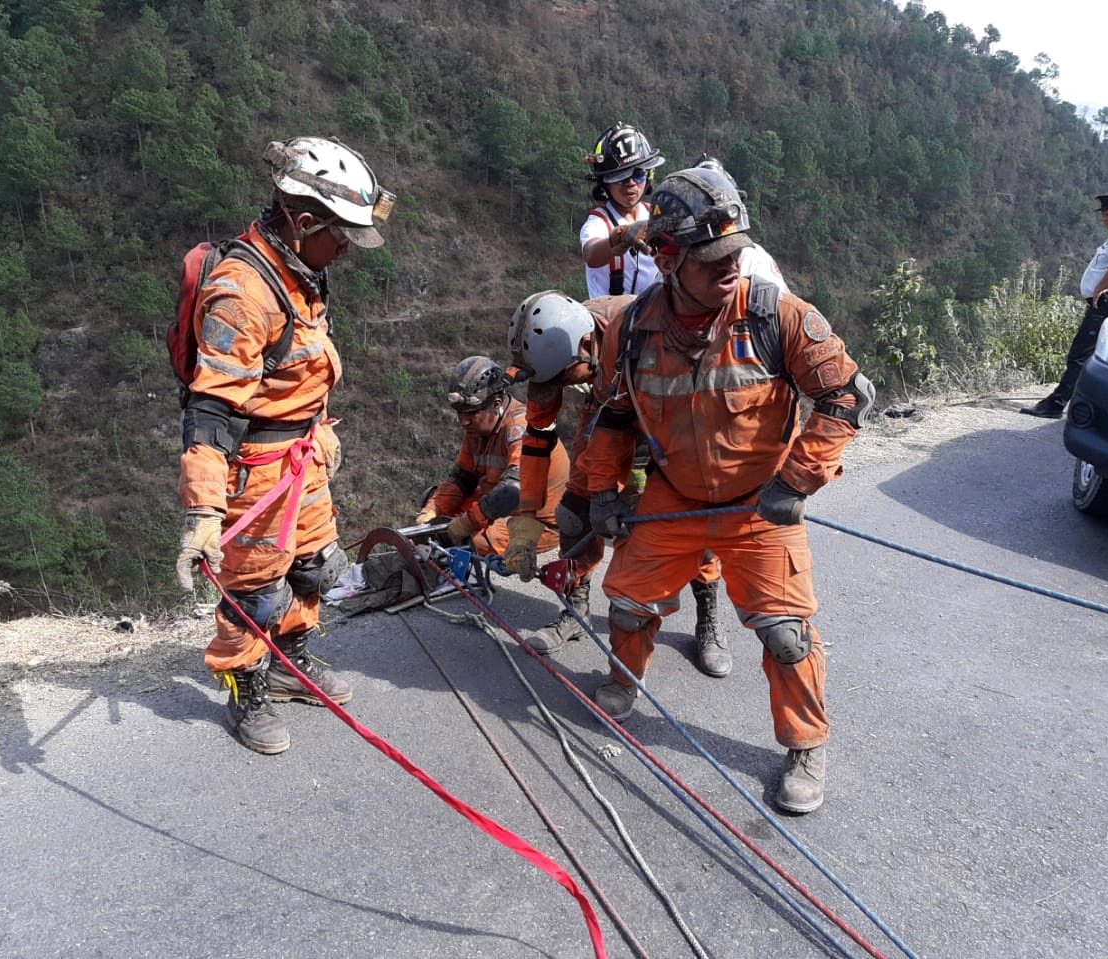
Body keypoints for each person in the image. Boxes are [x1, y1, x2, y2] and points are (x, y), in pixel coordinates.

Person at [577, 164, 874, 814]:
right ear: (668, 255)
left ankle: (805, 745)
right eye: (712, 258)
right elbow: (615, 415)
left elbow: (846, 395)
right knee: (626, 602)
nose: (730, 266)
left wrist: (798, 479)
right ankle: (624, 680)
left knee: (786, 631)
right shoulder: (632, 332)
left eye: (735, 252)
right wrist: (604, 491)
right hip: (674, 496)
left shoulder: (775, 314)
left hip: (757, 503)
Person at [174, 135, 393, 755]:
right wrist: (204, 510)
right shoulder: (244, 293)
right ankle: (248, 692)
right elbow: (211, 411)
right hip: (257, 472)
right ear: (302, 222)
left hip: (302, 457)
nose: (347, 245)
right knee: (254, 591)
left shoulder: (301, 270)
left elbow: (299, 370)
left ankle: (291, 663)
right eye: (340, 233)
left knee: (314, 565)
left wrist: (318, 432)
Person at [503, 290, 729, 677]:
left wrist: (645, 485)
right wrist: (525, 520)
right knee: (576, 515)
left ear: (588, 345)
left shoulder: (650, 332)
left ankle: (707, 615)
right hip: (606, 413)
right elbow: (537, 439)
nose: (555, 389)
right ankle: (575, 608)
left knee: (688, 526)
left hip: (673, 420)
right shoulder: (558, 352)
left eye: (562, 379)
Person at [415, 356, 567, 559]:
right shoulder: (478, 430)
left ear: (495, 404)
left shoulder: (521, 429)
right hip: (498, 504)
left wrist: (466, 523)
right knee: (438, 520)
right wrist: (433, 509)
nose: (463, 422)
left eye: (470, 414)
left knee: (475, 539)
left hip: (537, 520)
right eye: (459, 413)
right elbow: (462, 479)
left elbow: (513, 492)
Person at [1021, 193, 1108, 418]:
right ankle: (1097, 407)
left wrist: (1099, 288)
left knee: (1080, 356)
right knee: (1102, 358)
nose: (1105, 219)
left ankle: (1055, 404)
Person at [580, 123, 665, 299]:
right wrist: (619, 237)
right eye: (620, 177)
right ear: (605, 182)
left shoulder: (659, 215)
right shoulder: (598, 222)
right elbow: (592, 254)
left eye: (639, 174)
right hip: (607, 317)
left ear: (649, 175)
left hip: (654, 313)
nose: (631, 183)